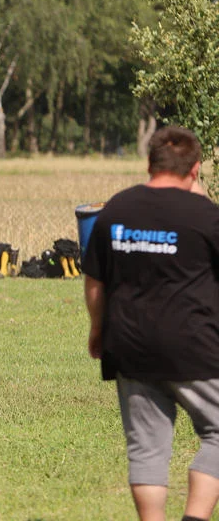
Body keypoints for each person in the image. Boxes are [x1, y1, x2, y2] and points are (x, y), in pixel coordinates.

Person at [82, 126, 219, 521]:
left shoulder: (116, 210)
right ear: (194, 170)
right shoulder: (206, 216)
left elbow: (95, 281)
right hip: (195, 348)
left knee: (147, 447)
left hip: (128, 345)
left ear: (149, 163)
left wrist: (98, 330)